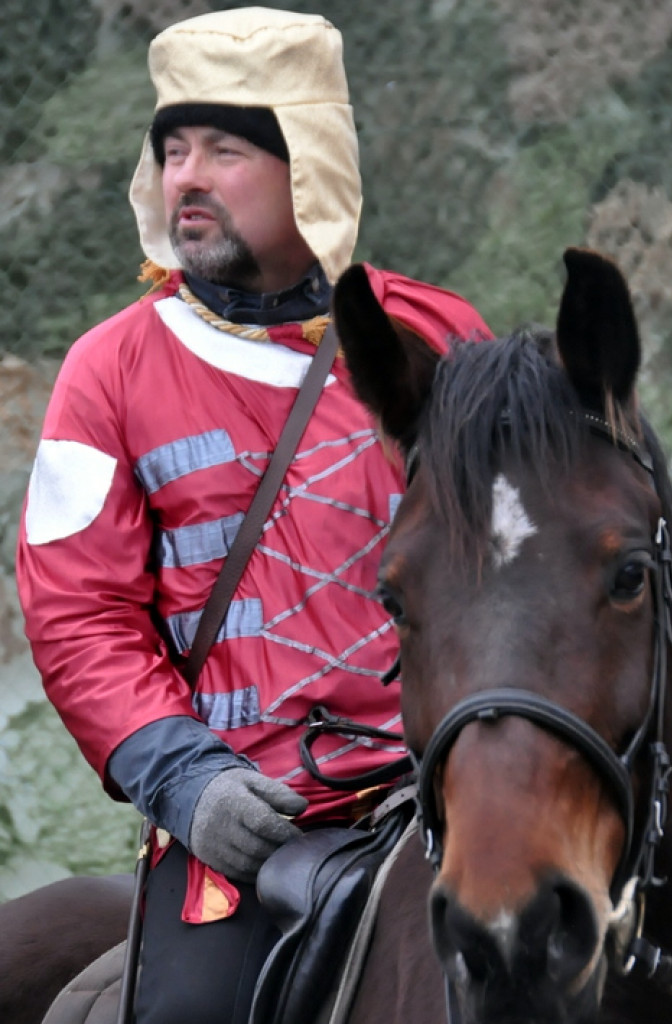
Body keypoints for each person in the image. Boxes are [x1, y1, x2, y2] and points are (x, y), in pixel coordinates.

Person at [16, 7, 492, 1023]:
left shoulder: (437, 335)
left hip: (456, 800)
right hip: (241, 825)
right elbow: (78, 614)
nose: (188, 174)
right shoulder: (108, 369)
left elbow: (517, 566)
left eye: (227, 149)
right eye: (173, 148)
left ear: (306, 165)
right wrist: (186, 780)